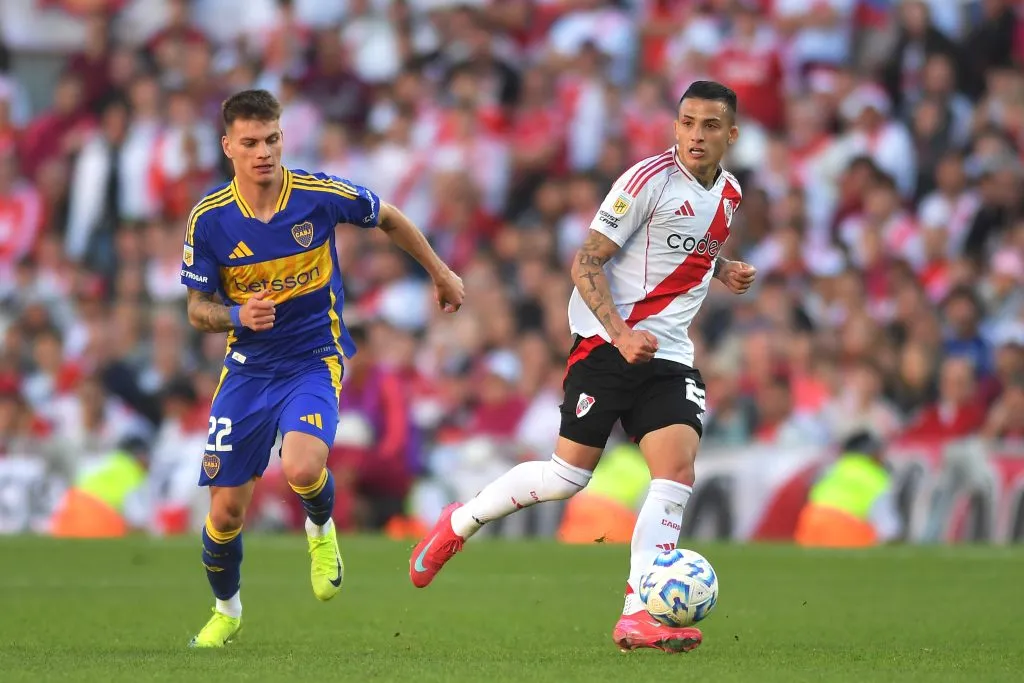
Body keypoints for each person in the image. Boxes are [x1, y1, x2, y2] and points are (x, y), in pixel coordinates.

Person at [408, 81, 757, 653]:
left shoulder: (731, 193)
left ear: (731, 135)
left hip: (668, 355)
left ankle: (637, 613)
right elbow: (586, 260)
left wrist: (723, 270)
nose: (697, 135)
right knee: (567, 478)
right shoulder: (645, 181)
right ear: (675, 127)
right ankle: (461, 521)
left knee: (675, 472)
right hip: (605, 345)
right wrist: (620, 335)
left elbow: (689, 247)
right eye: (687, 122)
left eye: (710, 126)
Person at [180, 89, 464, 648]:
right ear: (228, 147)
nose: (264, 152)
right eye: (251, 143)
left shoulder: (316, 195)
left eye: (272, 140)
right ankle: (227, 611)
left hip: (314, 359)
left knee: (303, 467)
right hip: (246, 370)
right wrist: (237, 313)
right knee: (225, 513)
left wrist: (440, 272)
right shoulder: (208, 221)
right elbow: (197, 310)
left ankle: (320, 526)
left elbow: (389, 217)